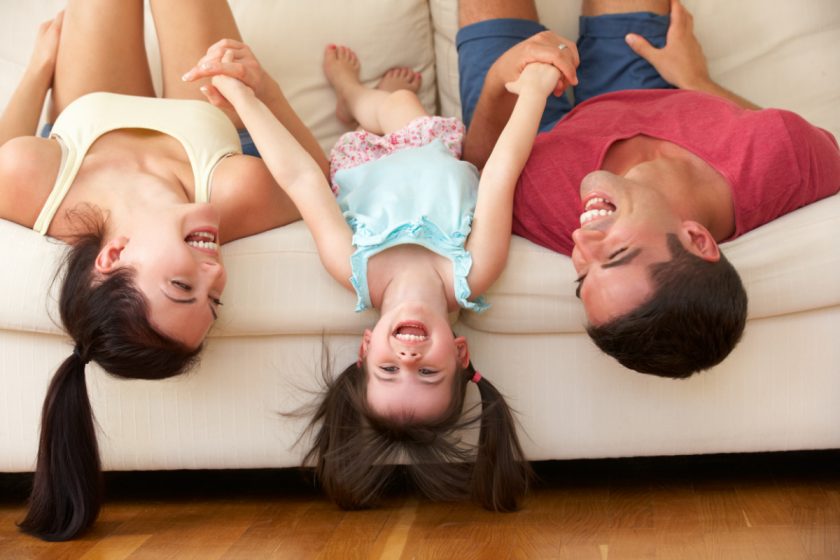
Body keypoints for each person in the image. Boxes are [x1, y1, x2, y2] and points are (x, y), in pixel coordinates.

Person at [1, 0, 326, 542]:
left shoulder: (34, 182)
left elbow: (4, 150)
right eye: (212, 299)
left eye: (183, 287)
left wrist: (38, 69)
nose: (215, 275)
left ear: (111, 258)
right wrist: (261, 93)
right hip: (207, 129)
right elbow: (316, 179)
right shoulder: (232, 194)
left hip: (84, 115)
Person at [201, 44, 560, 511]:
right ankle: (372, 97)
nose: (408, 356)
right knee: (402, 109)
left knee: (387, 111)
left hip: (358, 164)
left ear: (367, 347)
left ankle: (352, 95)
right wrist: (533, 92)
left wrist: (244, 102)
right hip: (427, 145)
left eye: (389, 370)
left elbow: (302, 180)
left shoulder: (354, 270)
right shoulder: (471, 272)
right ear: (459, 352)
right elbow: (500, 174)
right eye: (427, 372)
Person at [457, 0, 840, 378]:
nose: (581, 242)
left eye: (583, 275)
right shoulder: (782, 156)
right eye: (618, 253)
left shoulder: (545, 205)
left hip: (531, 123)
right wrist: (697, 80)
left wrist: (498, 79)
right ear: (697, 239)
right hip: (653, 88)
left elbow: (481, 169)